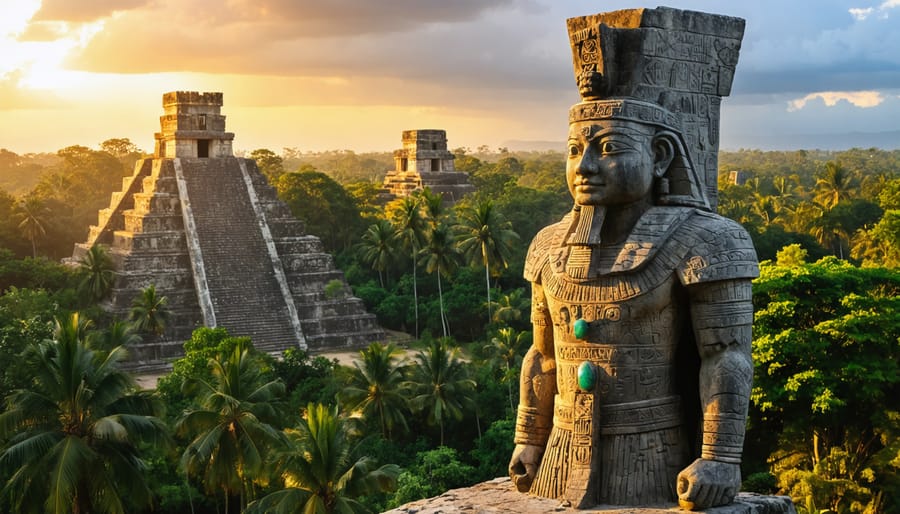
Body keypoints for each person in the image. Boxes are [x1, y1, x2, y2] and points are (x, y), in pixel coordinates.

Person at [508, 94, 758, 509]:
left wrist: (720, 458)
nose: (585, 166)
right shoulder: (548, 245)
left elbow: (726, 357)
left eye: (609, 148)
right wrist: (529, 437)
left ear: (659, 156)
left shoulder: (710, 240)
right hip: (560, 454)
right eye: (574, 150)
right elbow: (542, 354)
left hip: (652, 456)